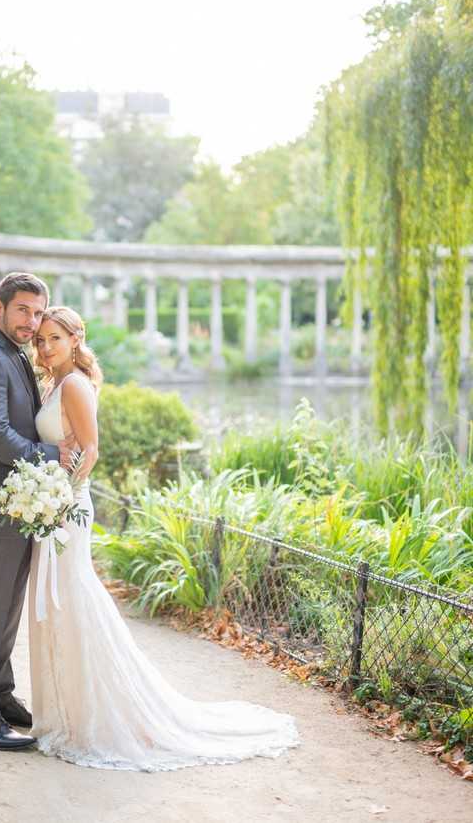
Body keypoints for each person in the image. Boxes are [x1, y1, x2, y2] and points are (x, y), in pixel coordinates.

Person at [29, 306, 299, 771]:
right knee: (58, 602)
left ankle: (95, 717)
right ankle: (68, 714)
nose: (46, 347)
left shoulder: (73, 384)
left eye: (54, 338)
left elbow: (91, 451)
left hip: (67, 508)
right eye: (40, 340)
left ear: (75, 339)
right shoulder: (55, 381)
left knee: (72, 597)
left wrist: (60, 498)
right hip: (55, 505)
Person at [0, 273, 79, 751]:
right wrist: (54, 458)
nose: (31, 321)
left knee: (6, 611)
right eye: (22, 310)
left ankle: (2, 697)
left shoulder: (16, 355)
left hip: (19, 506)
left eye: (37, 311)